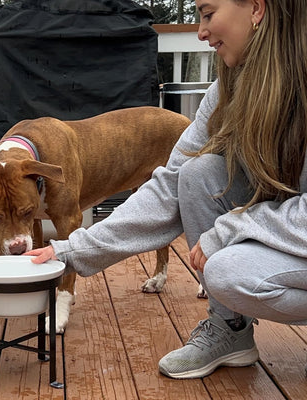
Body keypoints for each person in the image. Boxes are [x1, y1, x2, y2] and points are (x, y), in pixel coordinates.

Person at [25, 0, 307, 379]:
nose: (201, 32)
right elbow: (169, 186)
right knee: (198, 172)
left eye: (207, 14)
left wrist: (231, 228)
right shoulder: (230, 89)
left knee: (226, 271)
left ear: (256, 9)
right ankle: (231, 331)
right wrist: (71, 250)